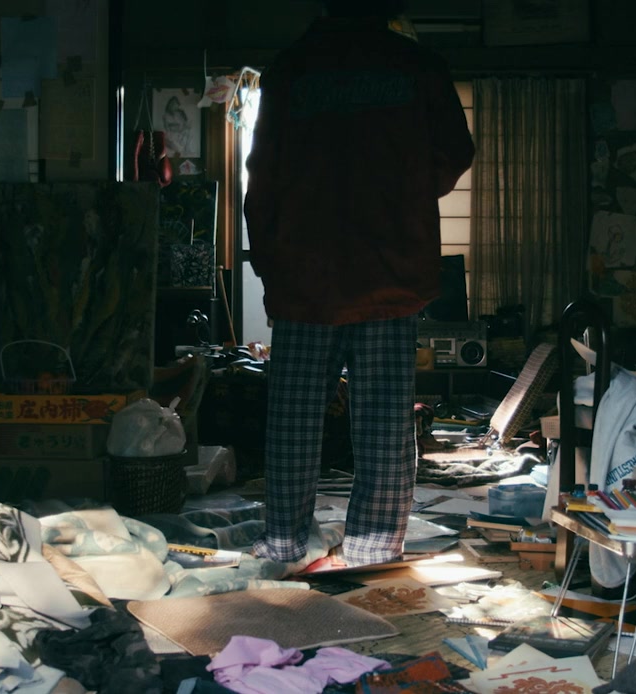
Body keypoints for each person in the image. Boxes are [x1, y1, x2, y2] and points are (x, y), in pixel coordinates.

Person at [245, 0, 475, 567]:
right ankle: (373, 548)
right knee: (383, 424)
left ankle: (284, 543)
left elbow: (263, 174)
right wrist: (404, 190)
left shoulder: (291, 67)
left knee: (294, 423)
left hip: (305, 275)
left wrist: (270, 263)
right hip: (388, 271)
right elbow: (455, 152)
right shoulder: (415, 64)